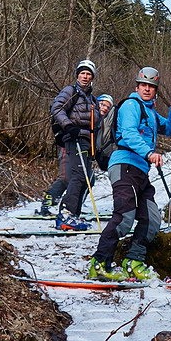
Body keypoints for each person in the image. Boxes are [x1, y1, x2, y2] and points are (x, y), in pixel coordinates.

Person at [87, 66, 171, 281]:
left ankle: (133, 261)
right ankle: (99, 264)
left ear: (155, 90)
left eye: (151, 87)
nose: (147, 89)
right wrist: (149, 153)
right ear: (137, 86)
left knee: (152, 219)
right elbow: (128, 134)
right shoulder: (131, 105)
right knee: (124, 218)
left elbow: (169, 129)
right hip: (123, 166)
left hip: (140, 171)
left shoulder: (150, 111)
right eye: (144, 85)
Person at [41, 60, 101, 230]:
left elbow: (96, 123)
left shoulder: (92, 98)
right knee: (78, 176)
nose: (85, 76)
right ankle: (66, 214)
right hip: (73, 138)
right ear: (77, 75)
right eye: (82, 73)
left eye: (88, 74)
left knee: (87, 178)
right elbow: (57, 108)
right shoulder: (71, 91)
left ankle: (74, 215)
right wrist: (68, 126)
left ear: (92, 77)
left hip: (86, 141)